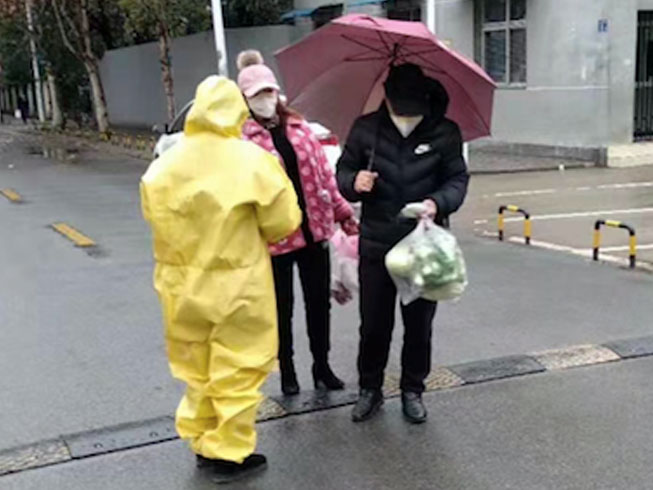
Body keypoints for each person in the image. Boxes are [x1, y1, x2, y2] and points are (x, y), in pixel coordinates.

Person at [140, 76, 301, 483]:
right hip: (237, 284)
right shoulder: (251, 160)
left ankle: (202, 442)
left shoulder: (166, 163)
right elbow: (283, 221)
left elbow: (152, 211)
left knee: (196, 366)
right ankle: (228, 452)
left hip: (179, 284)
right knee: (238, 366)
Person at [336, 63, 469, 424]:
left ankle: (413, 389)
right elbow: (343, 173)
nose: (408, 112)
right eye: (401, 105)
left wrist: (437, 203)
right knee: (374, 325)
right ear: (388, 98)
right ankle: (370, 389)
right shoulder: (366, 129)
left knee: (419, 326)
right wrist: (354, 182)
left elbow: (458, 179)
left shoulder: (444, 131)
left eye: (415, 104)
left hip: (423, 247)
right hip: (377, 244)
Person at [236, 50, 358, 396]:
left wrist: (344, 213)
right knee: (281, 310)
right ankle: (287, 370)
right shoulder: (241, 139)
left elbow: (324, 179)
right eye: (258, 94)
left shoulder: (300, 128)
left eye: (269, 91)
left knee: (319, 305)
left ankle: (322, 367)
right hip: (273, 240)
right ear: (245, 99)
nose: (266, 99)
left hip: (314, 232)